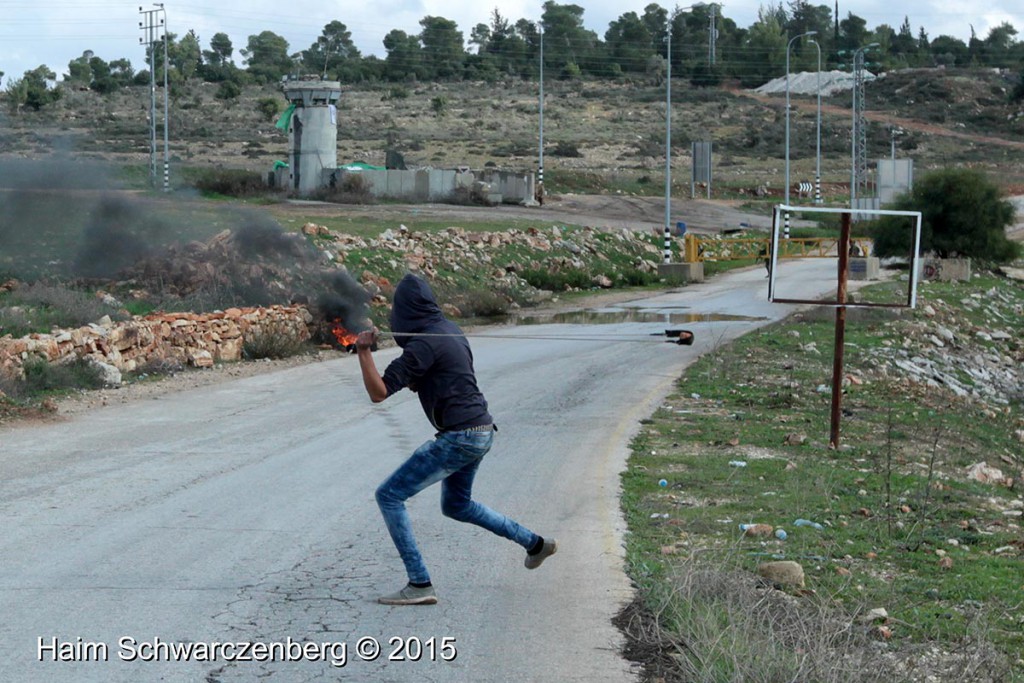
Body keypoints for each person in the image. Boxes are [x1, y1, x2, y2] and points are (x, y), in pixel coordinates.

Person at [356, 274, 557, 606]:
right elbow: (443, 376)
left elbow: (378, 392)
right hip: (481, 430)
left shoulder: (422, 344)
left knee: (389, 495)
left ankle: (419, 583)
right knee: (457, 505)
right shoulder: (449, 330)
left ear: (405, 310)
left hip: (460, 437)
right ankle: (535, 544)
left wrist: (363, 352)